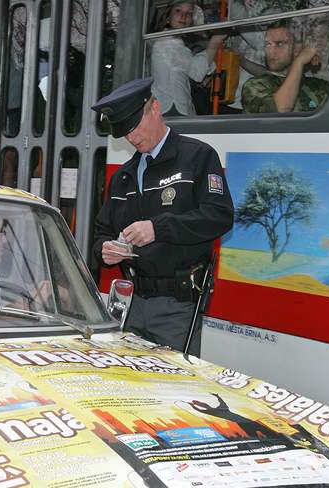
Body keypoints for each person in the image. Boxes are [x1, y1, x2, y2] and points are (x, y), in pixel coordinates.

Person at [91, 78, 234, 356]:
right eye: (124, 133)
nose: (131, 137)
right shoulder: (123, 176)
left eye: (134, 127)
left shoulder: (198, 157)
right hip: (130, 304)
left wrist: (158, 228)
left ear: (154, 108)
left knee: (173, 392)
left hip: (177, 307)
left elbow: (220, 216)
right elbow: (101, 233)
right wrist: (105, 250)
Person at [150, 0, 227, 116]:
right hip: (172, 109)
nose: (183, 16)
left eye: (189, 13)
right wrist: (215, 41)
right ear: (168, 17)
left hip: (170, 107)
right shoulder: (167, 41)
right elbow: (197, 72)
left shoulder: (175, 41)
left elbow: (183, 71)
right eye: (178, 10)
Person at [242, 20, 329, 113]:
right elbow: (280, 111)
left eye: (279, 44)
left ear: (297, 49)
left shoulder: (318, 87)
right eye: (268, 44)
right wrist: (299, 62)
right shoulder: (255, 85)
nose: (271, 51)